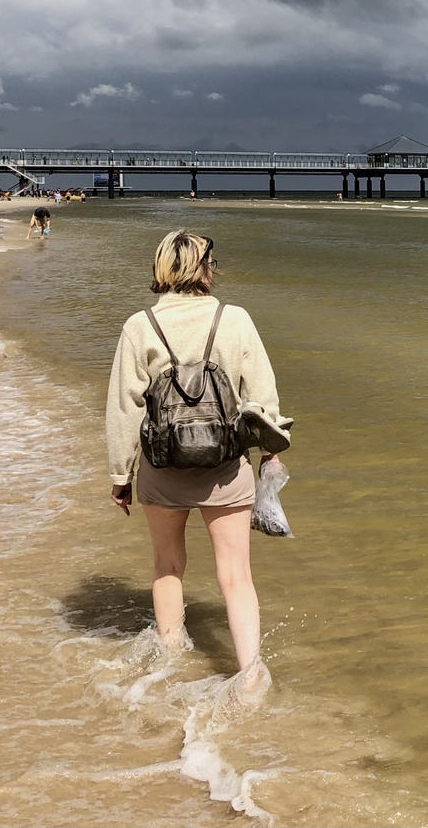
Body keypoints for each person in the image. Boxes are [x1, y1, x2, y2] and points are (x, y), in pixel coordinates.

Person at [105, 230, 284, 683]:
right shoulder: (235, 318)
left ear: (162, 267)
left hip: (162, 471)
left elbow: (125, 408)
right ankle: (249, 673)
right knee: (236, 575)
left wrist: (121, 474)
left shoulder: (140, 325)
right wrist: (270, 453)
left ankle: (168, 666)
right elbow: (261, 395)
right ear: (206, 269)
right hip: (225, 469)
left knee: (167, 566)